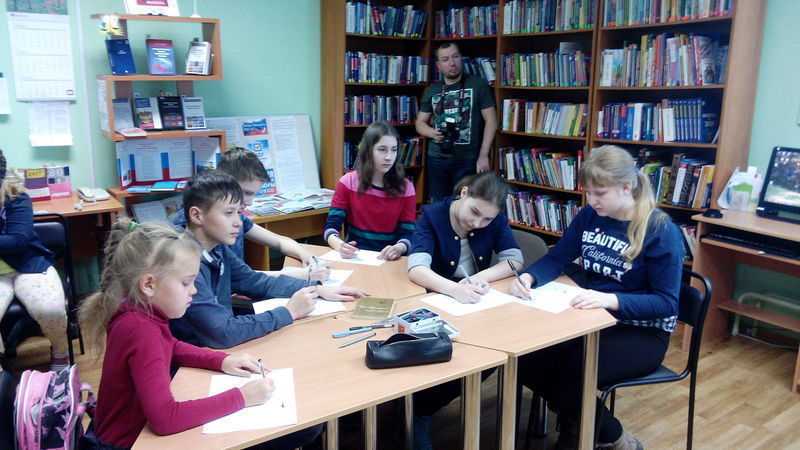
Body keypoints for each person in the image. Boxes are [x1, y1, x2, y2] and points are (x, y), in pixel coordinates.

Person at [78, 220, 321, 449]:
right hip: (130, 444)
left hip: (127, 436)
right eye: (186, 283)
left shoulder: (138, 313)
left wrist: (222, 360)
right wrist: (242, 397)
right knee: (303, 431)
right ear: (149, 285)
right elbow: (165, 419)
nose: (194, 290)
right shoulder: (140, 329)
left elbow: (170, 345)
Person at [510, 145, 684, 450]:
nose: (591, 200)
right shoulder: (591, 215)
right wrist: (529, 277)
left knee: (570, 372)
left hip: (641, 332)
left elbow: (666, 303)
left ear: (626, 187)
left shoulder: (660, 230)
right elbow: (559, 257)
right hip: (591, 319)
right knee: (527, 358)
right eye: (588, 192)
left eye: (599, 193)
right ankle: (582, 428)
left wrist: (609, 299)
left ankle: (613, 439)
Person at [171, 170, 368, 349]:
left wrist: (316, 289)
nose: (238, 222)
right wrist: (288, 312)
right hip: (192, 359)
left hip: (217, 348)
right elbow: (223, 333)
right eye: (229, 213)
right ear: (197, 215)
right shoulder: (183, 263)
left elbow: (254, 281)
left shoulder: (216, 246)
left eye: (239, 212)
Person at [407, 171, 523, 449]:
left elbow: (514, 260)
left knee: (489, 355)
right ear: (464, 193)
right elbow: (417, 268)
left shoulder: (493, 217)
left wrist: (481, 278)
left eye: (487, 220)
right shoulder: (433, 214)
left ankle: (421, 407)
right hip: (438, 301)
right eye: (475, 213)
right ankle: (416, 411)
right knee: (443, 353)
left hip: (475, 304)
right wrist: (453, 289)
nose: (478, 223)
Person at [175, 146, 330, 282]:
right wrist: (302, 275)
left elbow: (279, 241)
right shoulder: (195, 223)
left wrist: (307, 256)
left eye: (253, 194)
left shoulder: (236, 218)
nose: (249, 202)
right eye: (246, 193)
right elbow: (238, 278)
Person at [0, 149, 69, 371]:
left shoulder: (16, 197)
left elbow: (18, 241)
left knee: (52, 310)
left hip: (28, 265)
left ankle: (60, 350)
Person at [415, 41, 498, 202]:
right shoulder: (433, 90)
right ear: (438, 66)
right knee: (440, 205)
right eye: (445, 59)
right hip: (437, 157)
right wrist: (433, 133)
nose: (452, 63)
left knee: (464, 205)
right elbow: (420, 123)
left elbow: (491, 121)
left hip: (468, 159)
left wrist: (483, 156)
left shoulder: (477, 85)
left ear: (461, 58)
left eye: (455, 57)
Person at [324, 121, 417, 260]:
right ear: (368, 150)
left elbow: (408, 234)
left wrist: (399, 248)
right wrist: (340, 245)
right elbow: (331, 228)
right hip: (357, 256)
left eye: (394, 150)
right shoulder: (348, 182)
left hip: (390, 260)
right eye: (382, 149)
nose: (389, 157)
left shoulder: (406, 187)